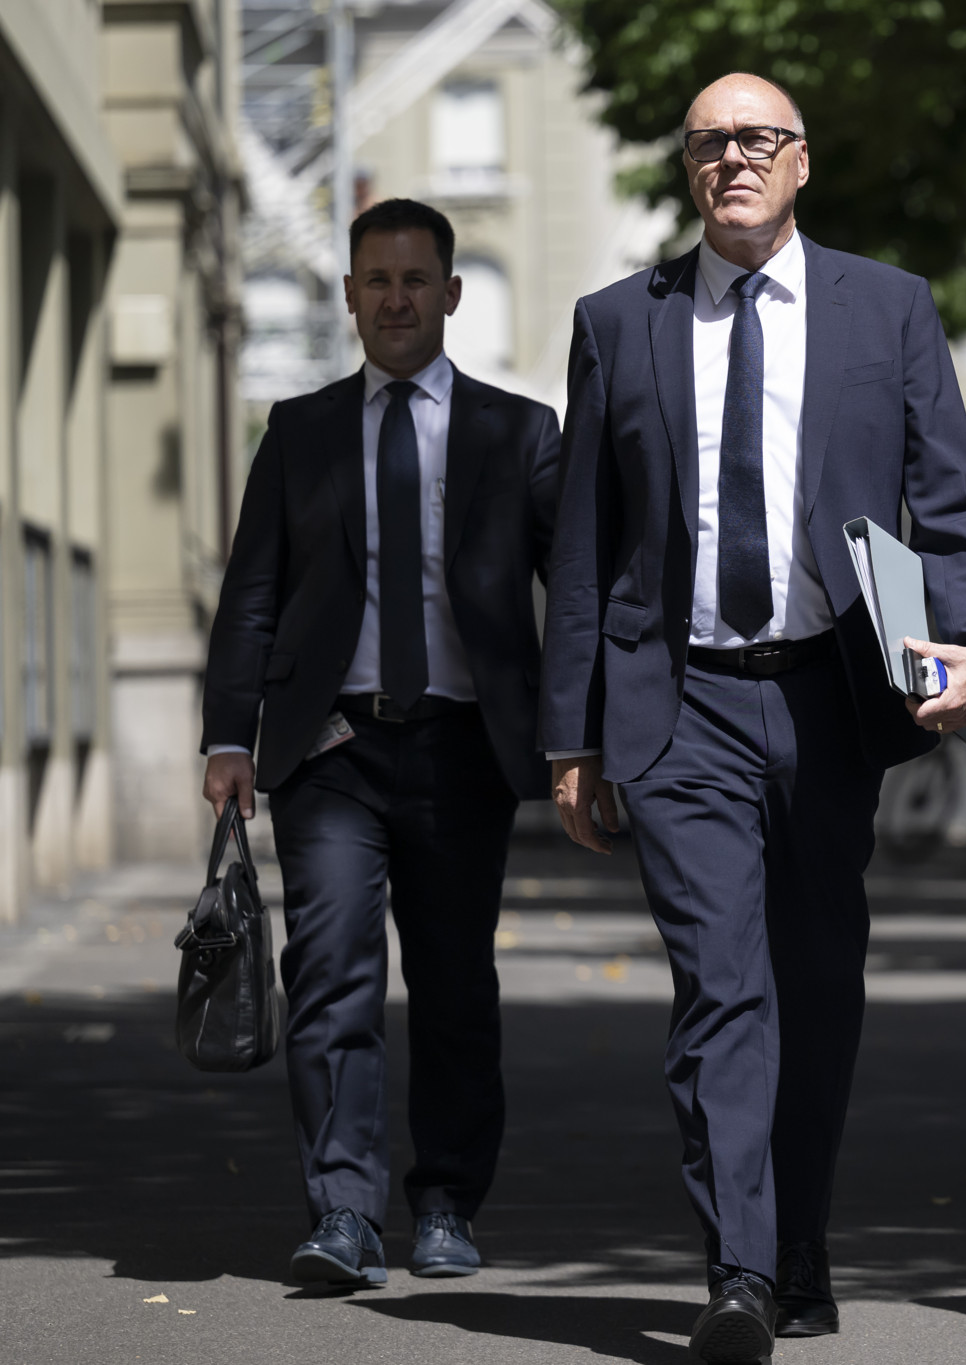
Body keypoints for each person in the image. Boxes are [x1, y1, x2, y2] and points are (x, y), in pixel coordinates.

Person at [540, 73, 966, 1364]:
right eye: (710, 142)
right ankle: (739, 1270)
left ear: (802, 162)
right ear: (687, 167)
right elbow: (584, 539)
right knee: (721, 985)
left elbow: (948, 495)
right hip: (678, 698)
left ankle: (799, 1240)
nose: (734, 160)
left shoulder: (887, 307)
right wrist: (573, 736)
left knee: (815, 986)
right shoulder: (617, 322)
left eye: (758, 139)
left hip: (828, 692)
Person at [201, 198, 561, 1286]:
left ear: (451, 293)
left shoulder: (518, 431)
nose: (396, 298)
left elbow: (578, 592)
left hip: (463, 751)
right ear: (350, 297)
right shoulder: (299, 430)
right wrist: (227, 737)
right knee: (331, 976)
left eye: (414, 280)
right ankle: (344, 1212)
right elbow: (252, 593)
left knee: (453, 987)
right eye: (376, 280)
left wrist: (585, 733)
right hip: (331, 753)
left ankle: (445, 1202)